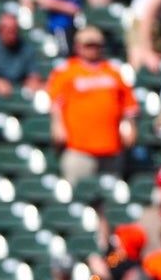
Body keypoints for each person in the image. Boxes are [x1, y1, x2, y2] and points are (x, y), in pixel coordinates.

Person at [46, 27, 136, 182]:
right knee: (78, 197)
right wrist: (57, 125)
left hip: (111, 147)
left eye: (96, 45)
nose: (93, 49)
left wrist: (130, 126)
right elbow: (55, 104)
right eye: (88, 45)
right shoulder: (66, 71)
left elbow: (129, 106)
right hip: (79, 148)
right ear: (78, 46)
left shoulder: (113, 70)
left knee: (109, 198)